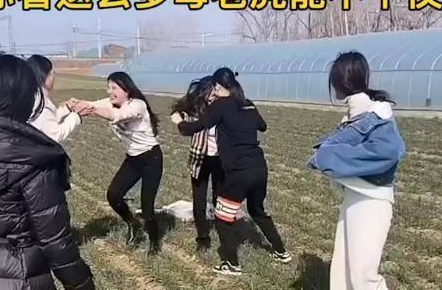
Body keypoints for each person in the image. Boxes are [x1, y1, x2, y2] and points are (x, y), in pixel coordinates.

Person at [0, 53, 94, 290]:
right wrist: (82, 284)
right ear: (25, 96)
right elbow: (56, 243)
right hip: (21, 275)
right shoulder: (34, 158)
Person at [171, 67, 291, 276]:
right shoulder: (247, 103)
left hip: (239, 172)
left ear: (218, 86)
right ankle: (281, 252)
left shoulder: (220, 105)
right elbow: (262, 126)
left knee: (222, 216)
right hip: (259, 168)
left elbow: (194, 128)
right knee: (257, 211)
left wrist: (179, 122)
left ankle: (231, 264)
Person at [308, 51, 406, 290]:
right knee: (343, 273)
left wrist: (328, 156)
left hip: (371, 201)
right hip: (354, 198)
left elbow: (390, 151)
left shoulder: (377, 114)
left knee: (363, 276)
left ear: (339, 82)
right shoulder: (357, 114)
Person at [74, 72, 163, 255]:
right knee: (113, 195)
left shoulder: (137, 105)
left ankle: (155, 244)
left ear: (126, 89)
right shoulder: (109, 102)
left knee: (147, 207)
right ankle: (133, 224)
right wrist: (73, 104)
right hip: (133, 159)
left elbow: (120, 115)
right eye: (108, 87)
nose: (109, 91)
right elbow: (91, 104)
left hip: (151, 158)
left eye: (114, 87)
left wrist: (94, 110)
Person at [171, 76, 224, 252]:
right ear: (204, 91)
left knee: (219, 198)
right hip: (200, 159)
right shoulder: (195, 110)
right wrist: (178, 118)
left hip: (220, 159)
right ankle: (202, 238)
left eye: (216, 90)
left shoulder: (223, 108)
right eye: (211, 90)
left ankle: (222, 231)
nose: (214, 93)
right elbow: (182, 121)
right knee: (199, 201)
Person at [28, 54, 91, 143]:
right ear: (44, 76)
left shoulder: (31, 96)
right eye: (52, 73)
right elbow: (55, 135)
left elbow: (46, 122)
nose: (53, 78)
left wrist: (67, 109)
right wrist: (76, 116)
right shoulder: (41, 104)